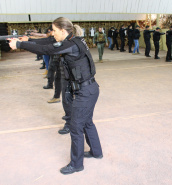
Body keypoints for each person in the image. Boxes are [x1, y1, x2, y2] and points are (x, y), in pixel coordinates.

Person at [9, 17, 103, 174]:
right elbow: (48, 43)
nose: (52, 33)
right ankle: (96, 152)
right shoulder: (74, 40)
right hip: (90, 89)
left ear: (63, 31)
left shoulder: (70, 45)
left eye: (54, 30)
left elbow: (48, 49)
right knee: (87, 123)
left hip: (85, 92)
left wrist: (19, 45)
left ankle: (76, 164)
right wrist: (28, 39)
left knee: (76, 126)